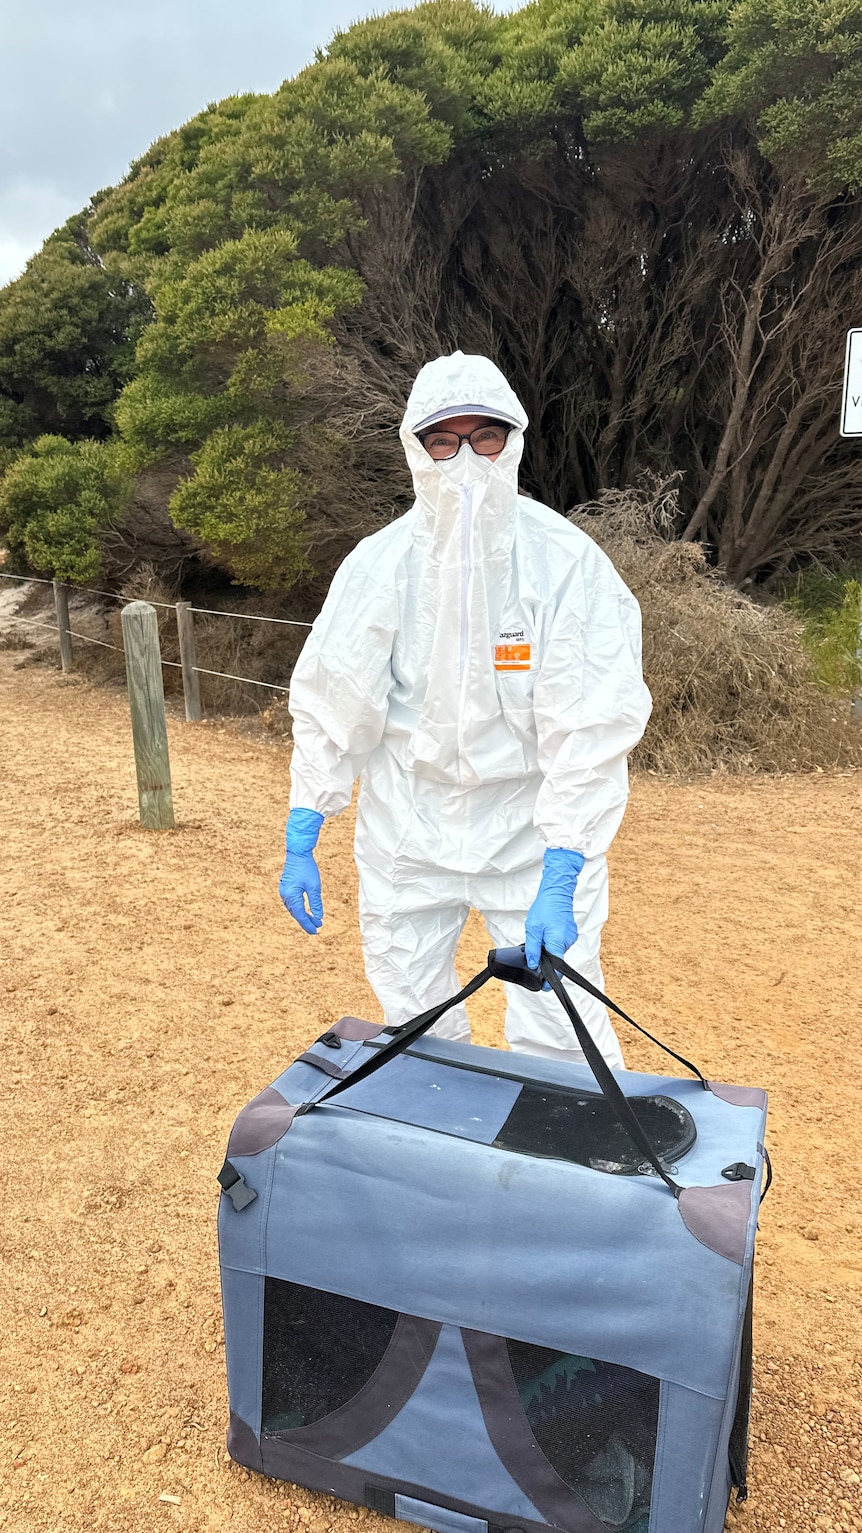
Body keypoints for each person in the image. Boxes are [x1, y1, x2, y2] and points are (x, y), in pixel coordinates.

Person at [279, 352, 651, 1067]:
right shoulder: (378, 566)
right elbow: (335, 702)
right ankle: (440, 1153)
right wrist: (305, 826)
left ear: (513, 441)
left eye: (485, 437)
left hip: (528, 832)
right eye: (443, 441)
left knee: (558, 1027)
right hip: (407, 828)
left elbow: (591, 725)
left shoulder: (566, 565)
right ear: (415, 449)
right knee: (413, 1019)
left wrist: (565, 865)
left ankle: (563, 1163)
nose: (466, 460)